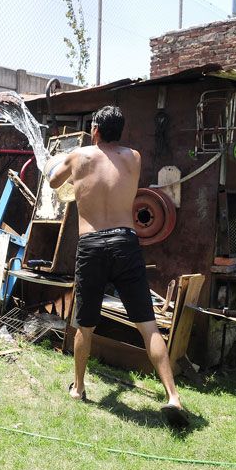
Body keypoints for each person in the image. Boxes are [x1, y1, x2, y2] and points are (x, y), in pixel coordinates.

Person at [46, 105, 188, 428]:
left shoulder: (78, 157)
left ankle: (79, 388)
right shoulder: (134, 158)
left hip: (92, 244)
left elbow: (54, 182)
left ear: (95, 128)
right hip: (126, 241)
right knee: (148, 325)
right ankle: (173, 396)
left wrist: (59, 158)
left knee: (85, 324)